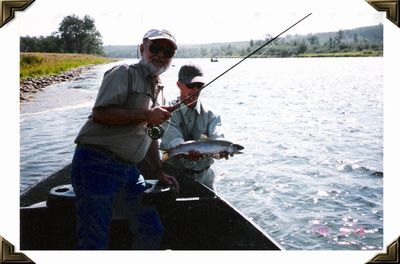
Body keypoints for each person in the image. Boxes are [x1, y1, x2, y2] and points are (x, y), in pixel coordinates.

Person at [70, 29, 179, 250]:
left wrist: (158, 171)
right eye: (155, 48)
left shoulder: (161, 91)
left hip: (128, 170)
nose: (160, 55)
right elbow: (100, 114)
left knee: (151, 228)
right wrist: (148, 115)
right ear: (142, 49)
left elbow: (151, 135)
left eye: (167, 52)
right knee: (94, 239)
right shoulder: (123, 72)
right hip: (96, 164)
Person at [160, 64, 226, 192]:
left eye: (199, 86)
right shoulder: (166, 112)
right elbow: (175, 142)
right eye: (190, 85)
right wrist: (187, 152)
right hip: (173, 175)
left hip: (205, 177)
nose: (195, 90)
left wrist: (221, 151)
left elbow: (218, 139)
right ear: (179, 84)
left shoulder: (212, 114)